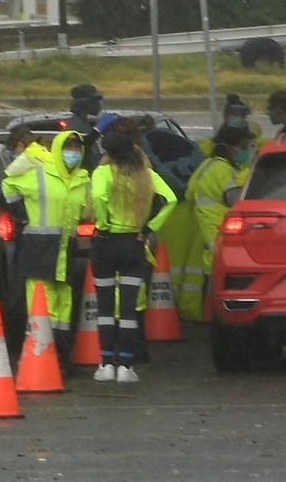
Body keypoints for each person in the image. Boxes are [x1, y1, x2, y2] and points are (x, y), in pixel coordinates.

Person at [85, 126, 176, 383]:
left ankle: (105, 364)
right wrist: (148, 228)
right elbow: (170, 199)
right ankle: (126, 366)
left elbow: (98, 196)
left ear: (108, 153)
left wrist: (103, 224)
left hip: (105, 243)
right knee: (128, 308)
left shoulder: (102, 172)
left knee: (105, 305)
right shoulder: (145, 175)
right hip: (133, 242)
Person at [4, 125, 87, 328]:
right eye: (68, 148)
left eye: (77, 149)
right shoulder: (39, 172)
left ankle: (60, 341)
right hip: (39, 250)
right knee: (41, 298)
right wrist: (21, 213)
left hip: (65, 251)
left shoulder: (82, 179)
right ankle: (41, 340)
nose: (73, 153)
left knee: (64, 299)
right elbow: (8, 184)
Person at [169, 122, 249, 319]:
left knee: (210, 279)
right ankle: (214, 318)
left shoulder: (208, 165)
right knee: (218, 281)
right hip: (219, 233)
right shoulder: (221, 170)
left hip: (210, 232)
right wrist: (250, 172)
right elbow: (234, 198)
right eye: (243, 147)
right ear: (231, 147)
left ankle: (209, 316)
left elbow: (190, 193)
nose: (246, 151)